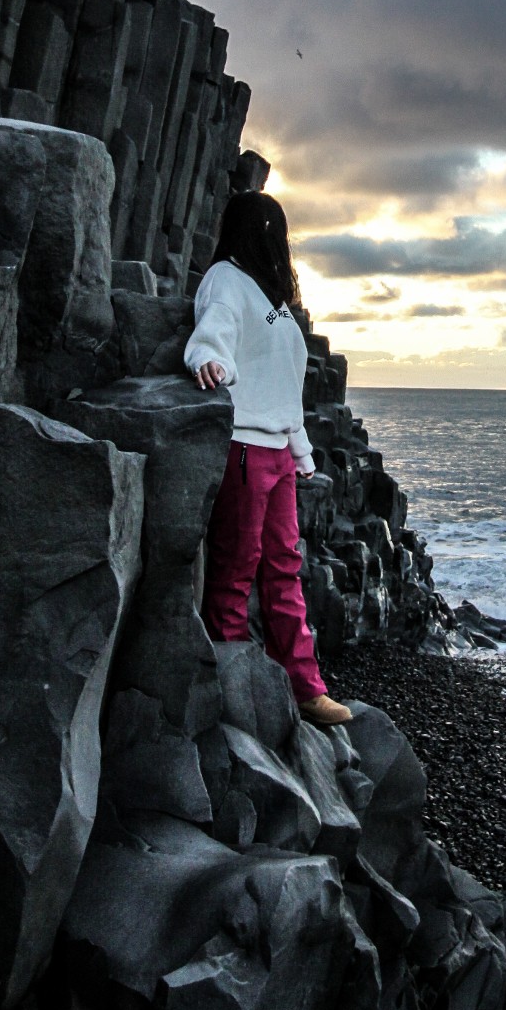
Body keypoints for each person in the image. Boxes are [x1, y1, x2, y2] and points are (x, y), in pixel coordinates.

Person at [184, 190, 353, 727]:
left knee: (285, 567)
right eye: (266, 227)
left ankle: (305, 687)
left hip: (278, 451)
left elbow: (286, 385)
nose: (273, 238)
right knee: (236, 569)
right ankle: (233, 687)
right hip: (242, 448)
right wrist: (209, 360)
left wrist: (301, 453)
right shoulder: (226, 281)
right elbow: (211, 334)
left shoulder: (274, 299)